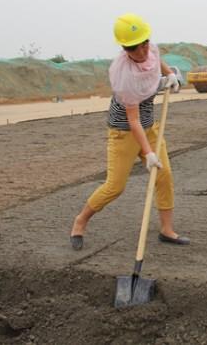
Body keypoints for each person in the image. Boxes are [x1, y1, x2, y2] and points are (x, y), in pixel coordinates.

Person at [69, 13, 188, 250]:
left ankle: (166, 229)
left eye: (144, 44)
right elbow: (132, 120)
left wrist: (169, 74)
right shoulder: (124, 76)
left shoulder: (150, 48)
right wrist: (148, 154)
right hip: (124, 131)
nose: (142, 51)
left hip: (149, 126)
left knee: (164, 176)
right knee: (115, 186)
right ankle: (80, 221)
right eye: (135, 48)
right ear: (125, 49)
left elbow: (157, 58)